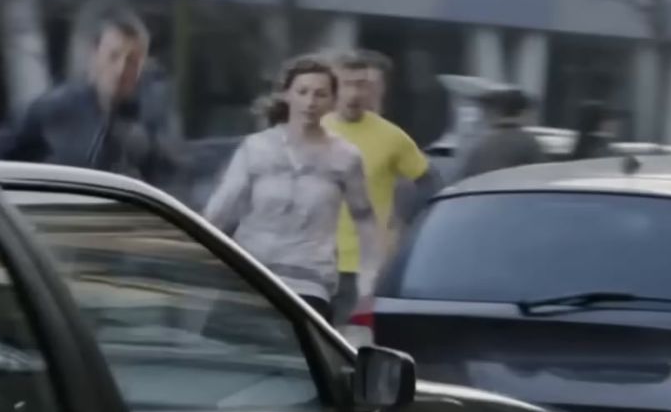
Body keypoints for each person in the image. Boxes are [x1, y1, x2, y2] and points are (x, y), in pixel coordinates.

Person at [204, 55, 379, 321]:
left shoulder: (345, 157)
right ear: (287, 95)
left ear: (332, 102)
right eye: (303, 92)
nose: (310, 102)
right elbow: (220, 212)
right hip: (250, 274)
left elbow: (365, 221)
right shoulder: (256, 148)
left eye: (320, 94)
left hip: (309, 282)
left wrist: (368, 282)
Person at [0, 0, 181, 187]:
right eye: (113, 56)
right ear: (94, 56)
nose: (120, 70)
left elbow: (172, 187)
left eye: (132, 62)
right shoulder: (52, 111)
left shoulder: (151, 123)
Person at [322, 50, 437, 325]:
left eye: (361, 85)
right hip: (310, 259)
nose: (353, 93)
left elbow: (430, 185)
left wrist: (405, 227)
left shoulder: (392, 137)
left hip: (361, 266)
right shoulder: (313, 130)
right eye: (345, 84)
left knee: (343, 343)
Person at [458, 87, 545, 181]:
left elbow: (464, 178)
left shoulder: (482, 145)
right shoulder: (528, 143)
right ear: (523, 112)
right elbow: (541, 178)